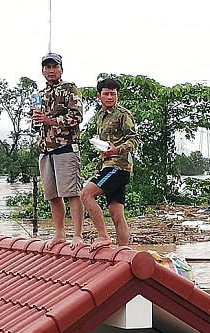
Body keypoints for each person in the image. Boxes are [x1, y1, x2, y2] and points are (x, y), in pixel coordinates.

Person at [32, 52, 84, 249]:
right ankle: (60, 233)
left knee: (72, 193)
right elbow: (36, 125)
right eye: (47, 67)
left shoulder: (70, 89)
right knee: (52, 195)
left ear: (61, 69)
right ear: (43, 71)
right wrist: (36, 118)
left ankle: (77, 235)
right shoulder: (39, 94)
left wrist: (50, 120)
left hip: (66, 147)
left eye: (54, 66)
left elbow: (77, 117)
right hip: (45, 149)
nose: (51, 70)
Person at [80, 78, 138, 250]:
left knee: (86, 194)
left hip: (118, 166)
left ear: (117, 95)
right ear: (99, 96)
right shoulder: (100, 116)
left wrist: (117, 150)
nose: (110, 97)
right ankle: (124, 251)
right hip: (107, 165)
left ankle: (103, 236)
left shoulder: (123, 114)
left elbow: (134, 139)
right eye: (106, 93)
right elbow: (105, 144)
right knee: (116, 213)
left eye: (113, 93)